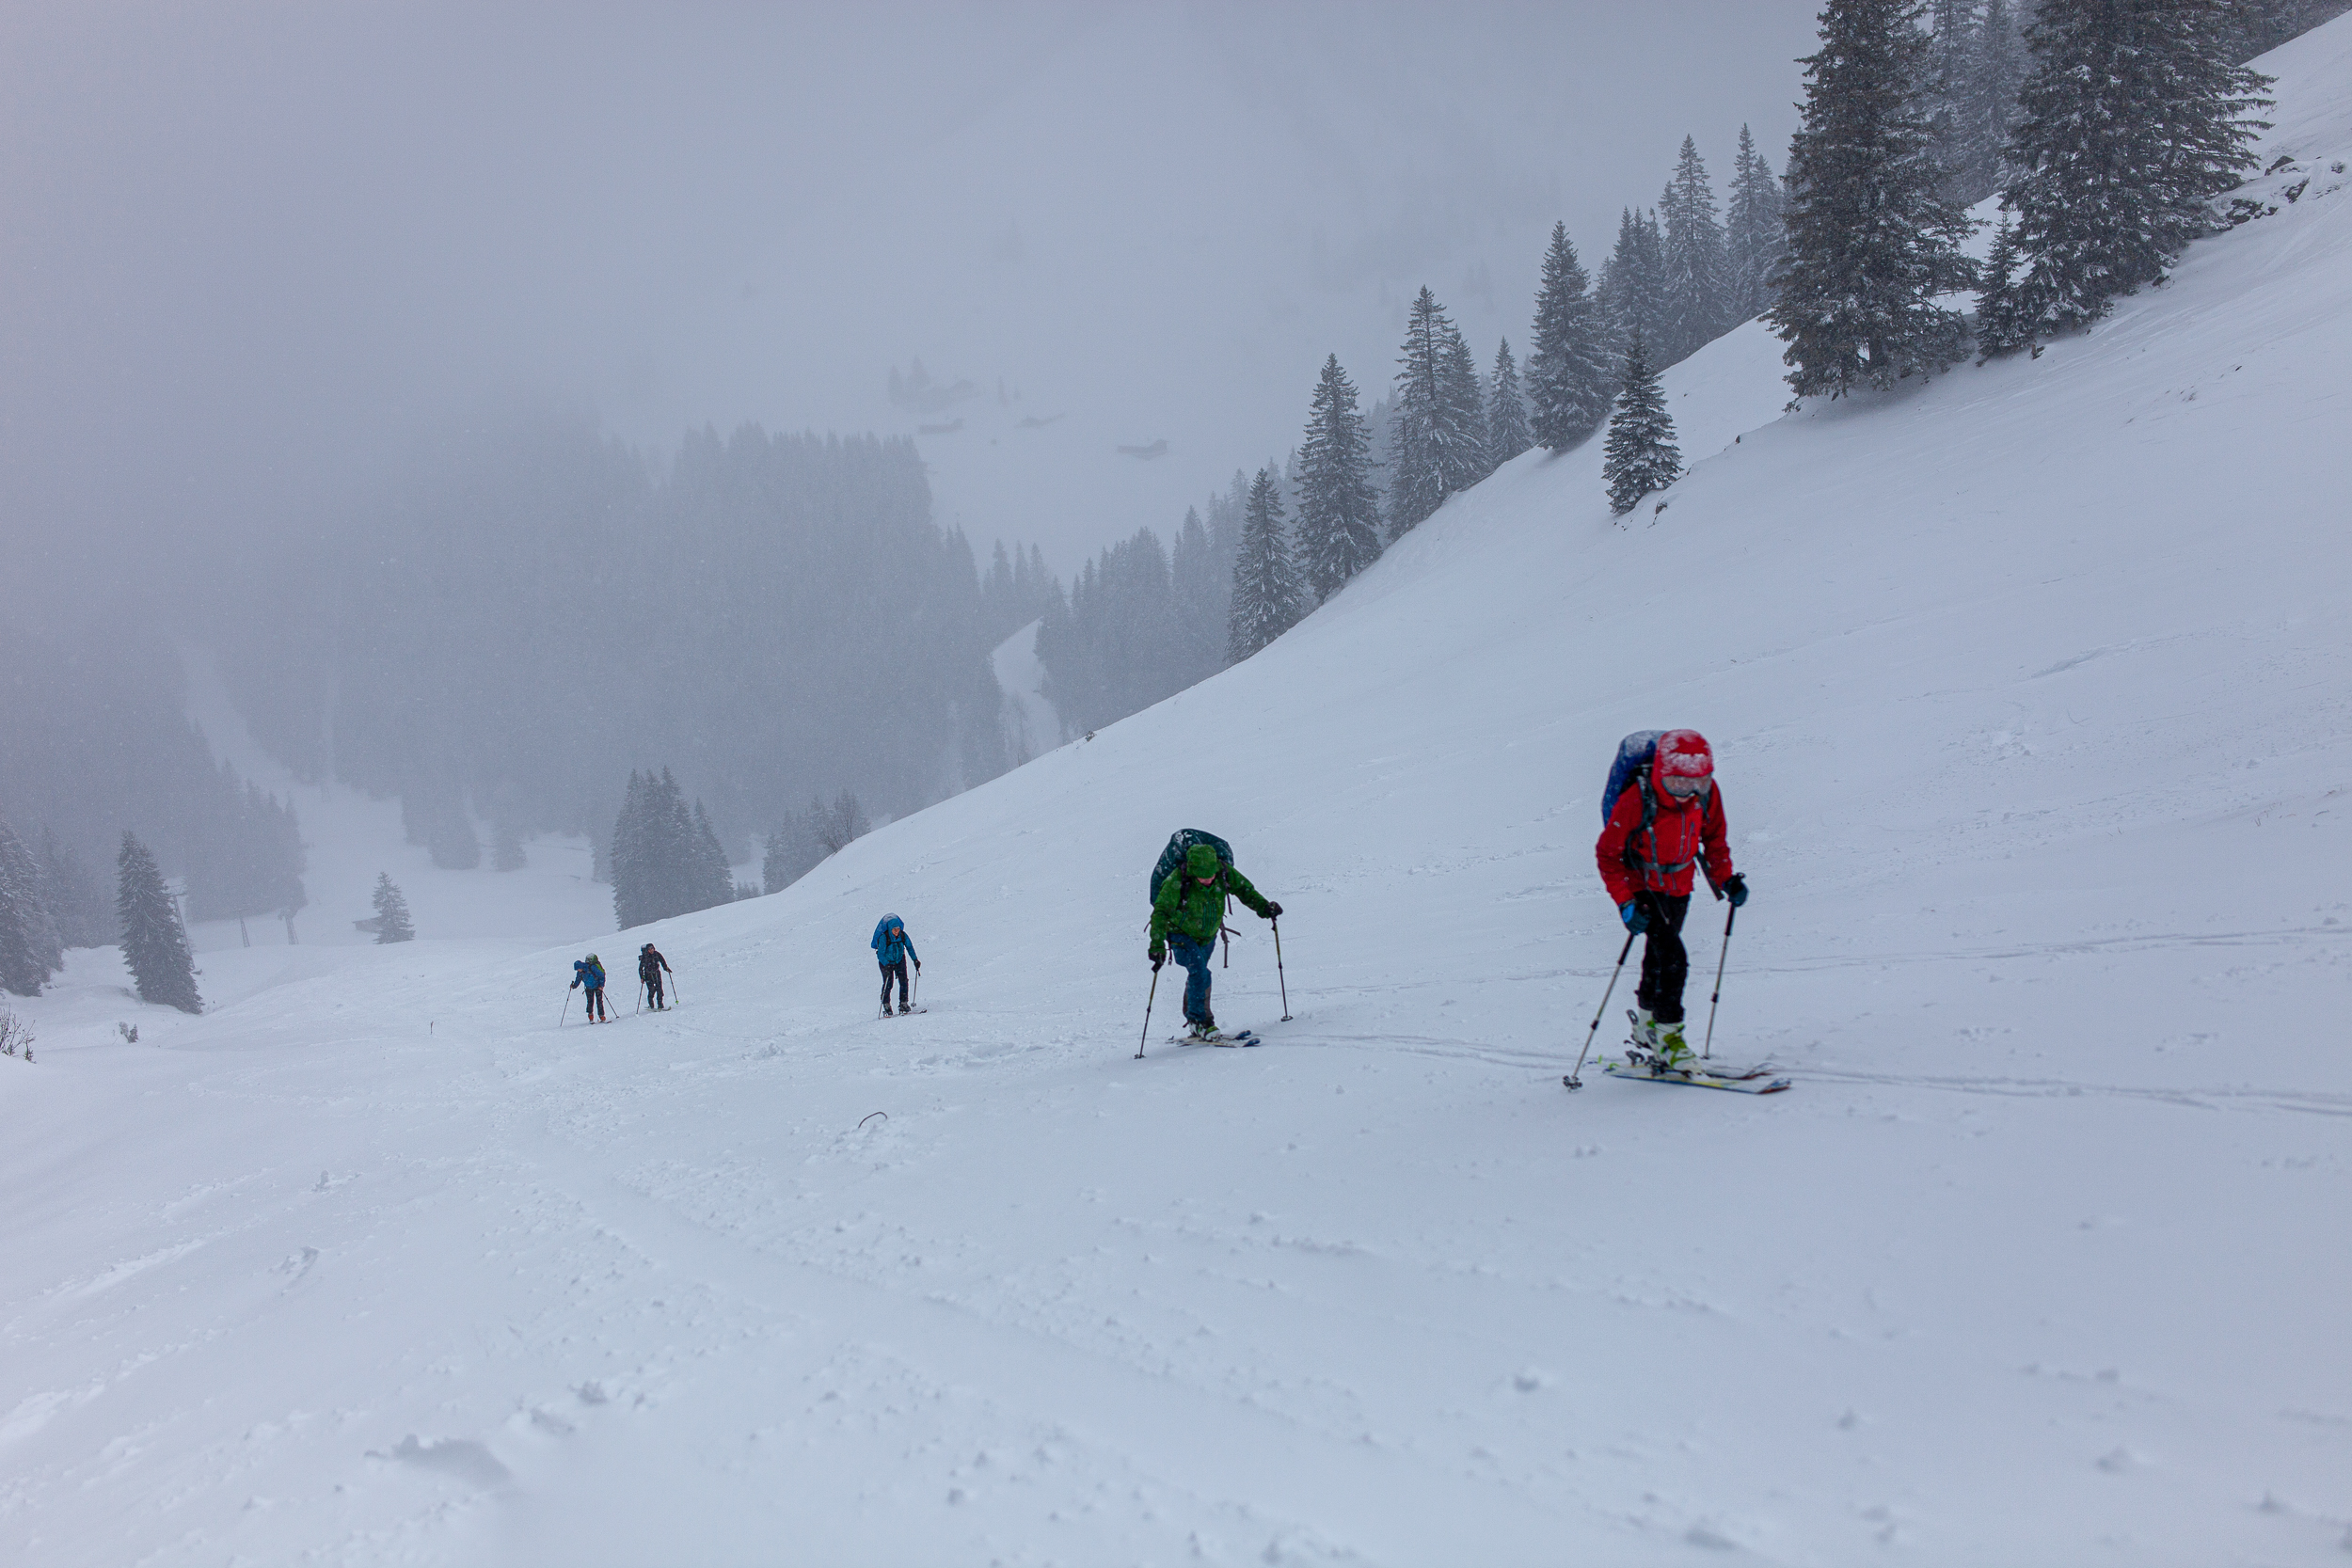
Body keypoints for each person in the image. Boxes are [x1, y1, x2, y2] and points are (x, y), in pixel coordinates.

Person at [1596, 729, 1746, 1068]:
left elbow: (1715, 839)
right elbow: (1608, 854)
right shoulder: (1637, 799)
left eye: (1699, 784)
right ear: (1663, 775)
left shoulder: (1706, 796)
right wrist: (1626, 902)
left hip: (1680, 886)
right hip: (1643, 885)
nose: (1688, 794)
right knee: (1674, 958)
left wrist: (1727, 880)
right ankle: (1669, 1038)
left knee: (1658, 954)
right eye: (1679, 785)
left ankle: (1647, 1025)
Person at [1148, 842, 1280, 1042]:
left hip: (1208, 936)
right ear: (1192, 872)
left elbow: (1245, 891)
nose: (1208, 880)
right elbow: (1160, 913)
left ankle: (1194, 1020)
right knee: (1200, 972)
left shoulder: (1224, 872)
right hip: (1180, 935)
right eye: (1203, 877)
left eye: (1211, 875)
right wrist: (1157, 946)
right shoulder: (1176, 880)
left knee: (1198, 975)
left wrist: (1264, 908)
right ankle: (1201, 1022)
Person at [871, 913, 920, 1016]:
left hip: (899, 960)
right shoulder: (884, 938)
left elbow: (909, 947)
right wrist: (886, 964)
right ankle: (886, 1003)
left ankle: (903, 1003)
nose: (896, 931)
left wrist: (915, 960)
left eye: (897, 929)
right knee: (888, 983)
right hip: (886, 962)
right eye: (894, 929)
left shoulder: (903, 935)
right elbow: (880, 954)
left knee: (904, 981)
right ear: (889, 929)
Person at [570, 953, 609, 1022]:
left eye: (578, 969)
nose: (578, 971)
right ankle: (591, 1017)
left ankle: (602, 1016)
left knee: (599, 1002)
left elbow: (601, 976)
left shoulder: (591, 967)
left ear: (581, 967)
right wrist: (574, 986)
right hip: (588, 988)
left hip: (597, 987)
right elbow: (578, 979)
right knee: (590, 1002)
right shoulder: (580, 972)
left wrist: (601, 985)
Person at [638, 942, 673, 1009]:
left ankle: (660, 1005)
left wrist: (666, 968)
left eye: (652, 948)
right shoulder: (645, 958)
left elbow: (663, 961)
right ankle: (651, 1005)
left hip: (657, 974)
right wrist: (642, 977)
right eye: (649, 949)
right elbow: (640, 968)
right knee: (652, 990)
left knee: (659, 990)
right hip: (648, 975)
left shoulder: (657, 954)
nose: (651, 950)